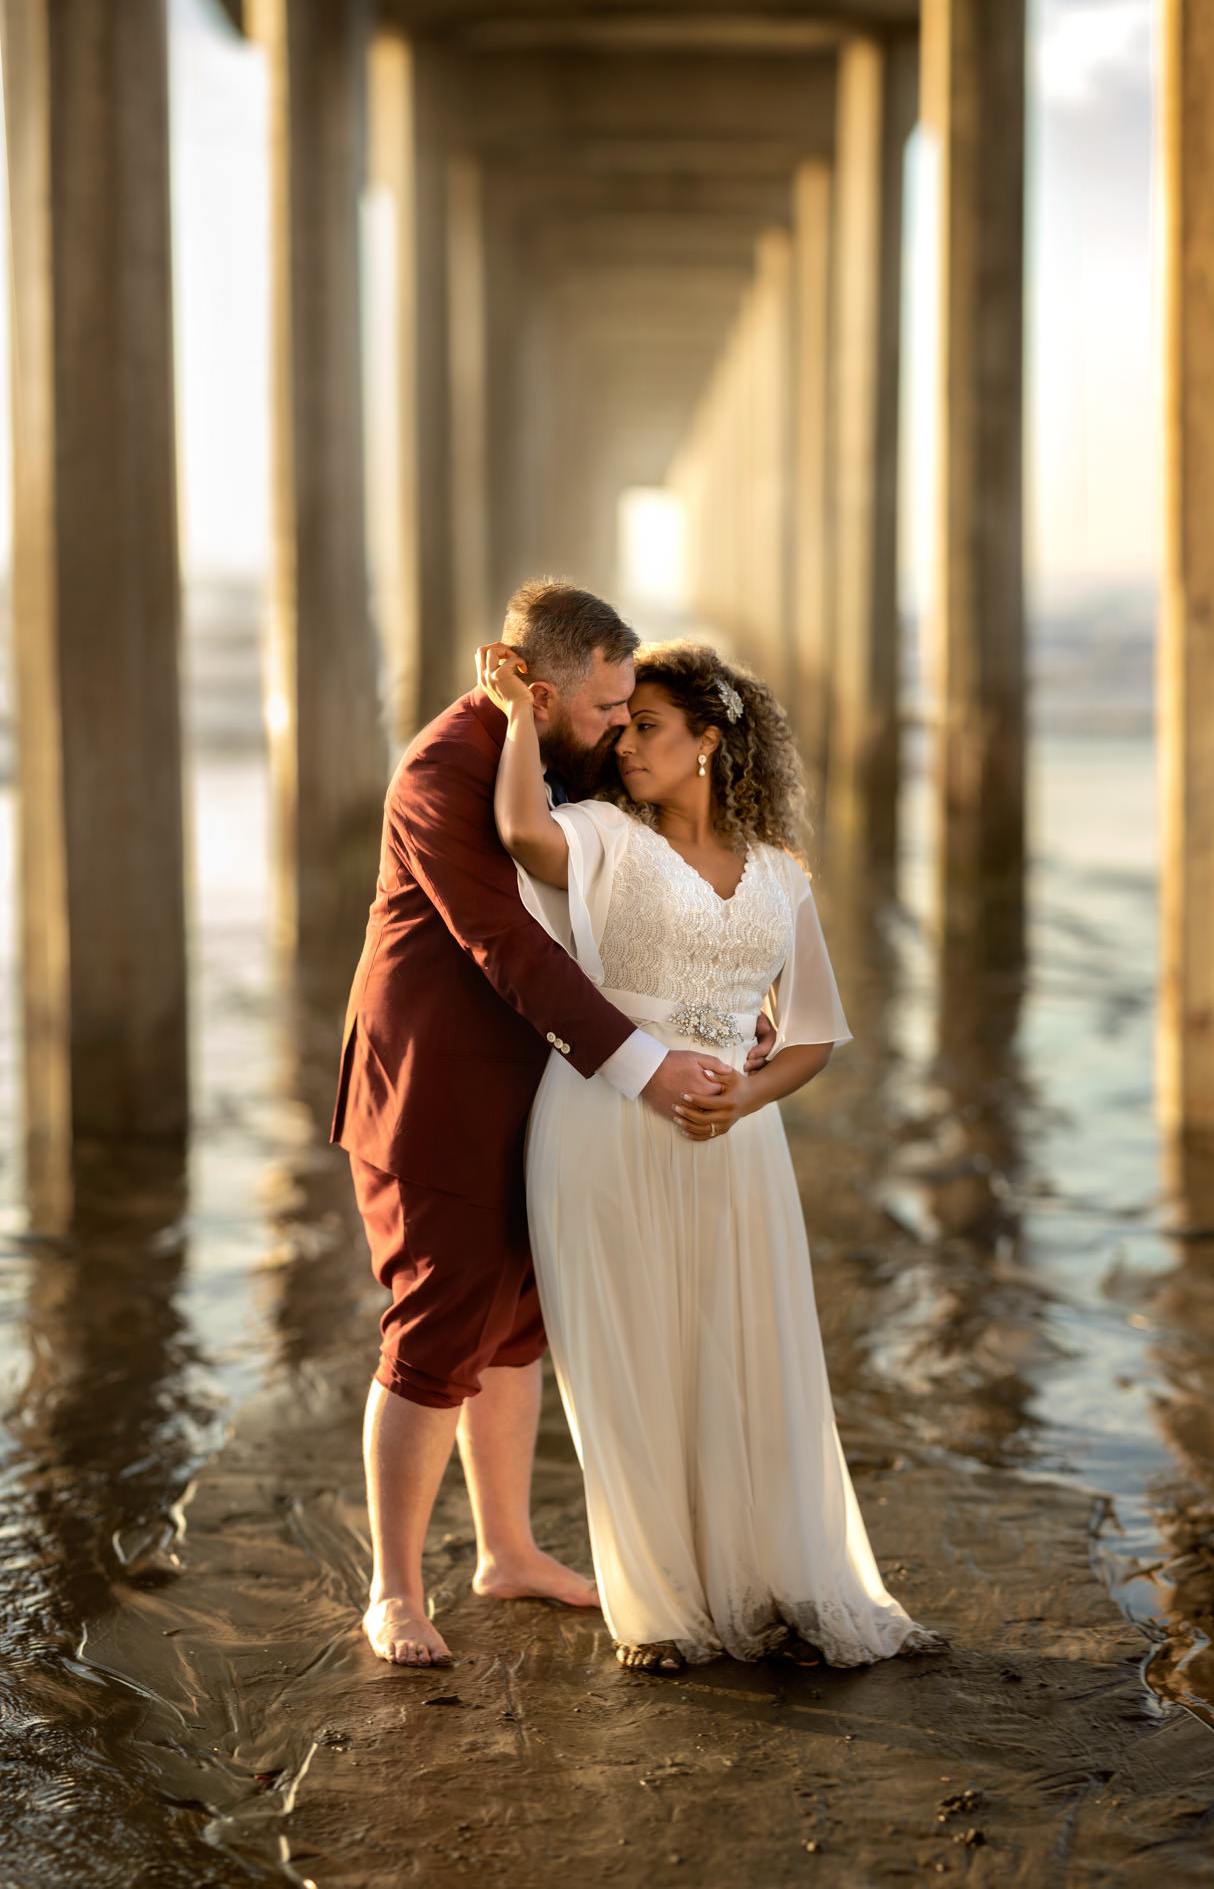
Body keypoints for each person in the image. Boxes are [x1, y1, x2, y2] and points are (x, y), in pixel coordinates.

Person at [481, 635, 939, 1671]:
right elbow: (515, 829)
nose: (625, 743)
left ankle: (770, 1573)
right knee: (627, 1361)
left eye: (647, 727)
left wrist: (748, 1096)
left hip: (737, 1144)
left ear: (709, 742)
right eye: (621, 725)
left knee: (742, 1350)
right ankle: (658, 1611)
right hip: (601, 1123)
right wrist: (517, 708)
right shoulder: (598, 832)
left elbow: (813, 1029)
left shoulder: (781, 874)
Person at [331, 579, 747, 1669]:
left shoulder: (560, 757)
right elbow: (505, 948)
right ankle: (394, 1590)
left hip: (531, 1090)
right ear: (544, 686)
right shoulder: (441, 769)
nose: (620, 728)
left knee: (517, 1321)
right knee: (435, 1327)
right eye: (609, 707)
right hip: (432, 1093)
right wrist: (648, 1069)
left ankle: (506, 1548)